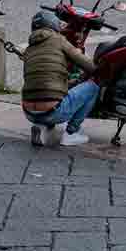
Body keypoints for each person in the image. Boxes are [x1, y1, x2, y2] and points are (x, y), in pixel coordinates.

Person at [23, 10, 99, 148]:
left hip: (28, 112)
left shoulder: (29, 49)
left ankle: (40, 125)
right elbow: (89, 66)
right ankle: (71, 133)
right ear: (54, 26)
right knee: (93, 87)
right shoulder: (58, 40)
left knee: (44, 87)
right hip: (53, 111)